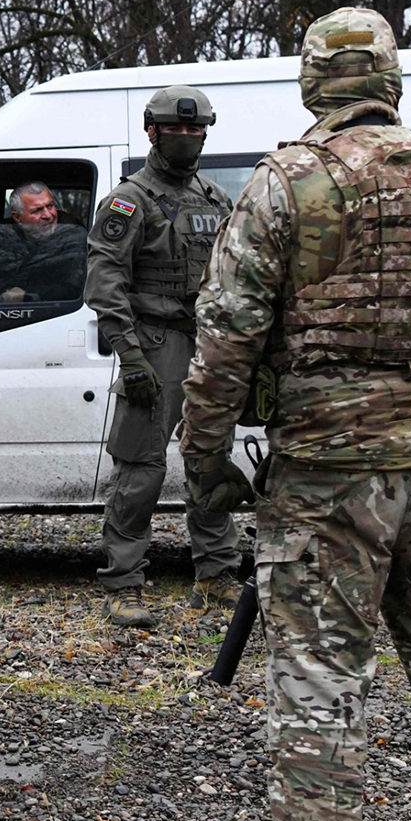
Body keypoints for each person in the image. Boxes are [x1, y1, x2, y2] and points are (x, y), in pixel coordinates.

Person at [181, 7, 411, 821]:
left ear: (311, 83)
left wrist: (204, 459)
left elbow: (226, 339)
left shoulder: (289, 182)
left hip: (329, 483)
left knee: (321, 696)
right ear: (388, 77)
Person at [84, 86, 240, 627]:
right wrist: (129, 353)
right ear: (152, 131)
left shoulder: (216, 199)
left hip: (209, 344)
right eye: (175, 129)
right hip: (154, 343)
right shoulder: (130, 200)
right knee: (141, 470)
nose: (185, 138)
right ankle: (124, 584)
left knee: (210, 459)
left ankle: (217, 575)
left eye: (194, 130)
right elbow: (104, 281)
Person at [0, 182, 87, 304]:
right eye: (37, 210)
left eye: (50, 206)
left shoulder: (73, 236)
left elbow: (73, 289)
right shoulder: (1, 237)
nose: (48, 215)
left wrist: (27, 295)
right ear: (17, 218)